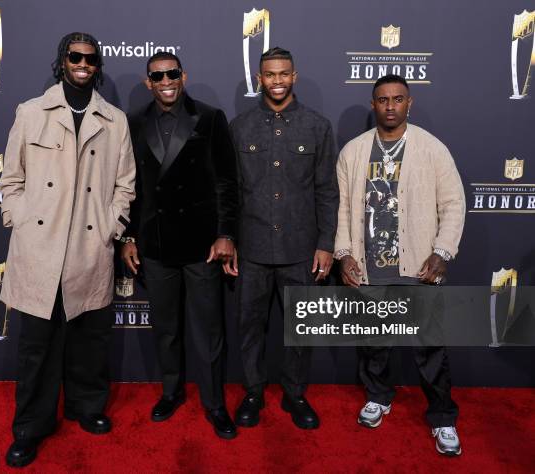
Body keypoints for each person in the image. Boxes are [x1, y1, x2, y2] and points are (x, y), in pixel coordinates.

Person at [0, 32, 136, 467]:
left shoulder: (114, 119)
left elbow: (125, 184)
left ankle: (86, 408)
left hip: (89, 248)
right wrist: (20, 221)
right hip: (40, 247)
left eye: (91, 58)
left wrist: (110, 229)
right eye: (75, 57)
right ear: (62, 61)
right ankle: (30, 428)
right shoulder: (31, 111)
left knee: (89, 338)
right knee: (37, 346)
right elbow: (11, 179)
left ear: (98, 65)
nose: (83, 63)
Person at [334, 74, 466, 456]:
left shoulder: (432, 149)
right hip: (369, 268)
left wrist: (442, 251)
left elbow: (454, 205)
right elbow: (342, 210)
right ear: (373, 104)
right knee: (374, 344)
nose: (390, 106)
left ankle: (442, 417)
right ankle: (378, 396)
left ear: (410, 103)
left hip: (419, 268)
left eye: (397, 99)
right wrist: (344, 253)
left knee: (431, 350)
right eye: (382, 99)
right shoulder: (353, 152)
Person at [121, 52, 239, 439]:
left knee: (208, 330)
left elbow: (226, 181)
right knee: (167, 329)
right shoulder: (134, 121)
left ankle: (215, 403)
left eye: (172, 73)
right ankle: (170, 392)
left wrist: (225, 234)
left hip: (201, 244)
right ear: (148, 81)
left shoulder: (210, 117)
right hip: (155, 244)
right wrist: (129, 236)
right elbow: (130, 188)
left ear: (184, 76)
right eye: (158, 76)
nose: (166, 80)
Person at [228, 47, 339, 430]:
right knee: (249, 326)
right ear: (259, 78)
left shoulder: (317, 126)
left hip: (300, 250)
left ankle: (295, 394)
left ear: (294, 76)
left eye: (284, 74)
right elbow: (230, 191)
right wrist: (229, 238)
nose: (277, 80)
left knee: (299, 329)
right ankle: (253, 393)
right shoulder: (239, 127)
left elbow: (327, 190)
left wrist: (326, 242)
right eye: (270, 74)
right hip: (253, 248)